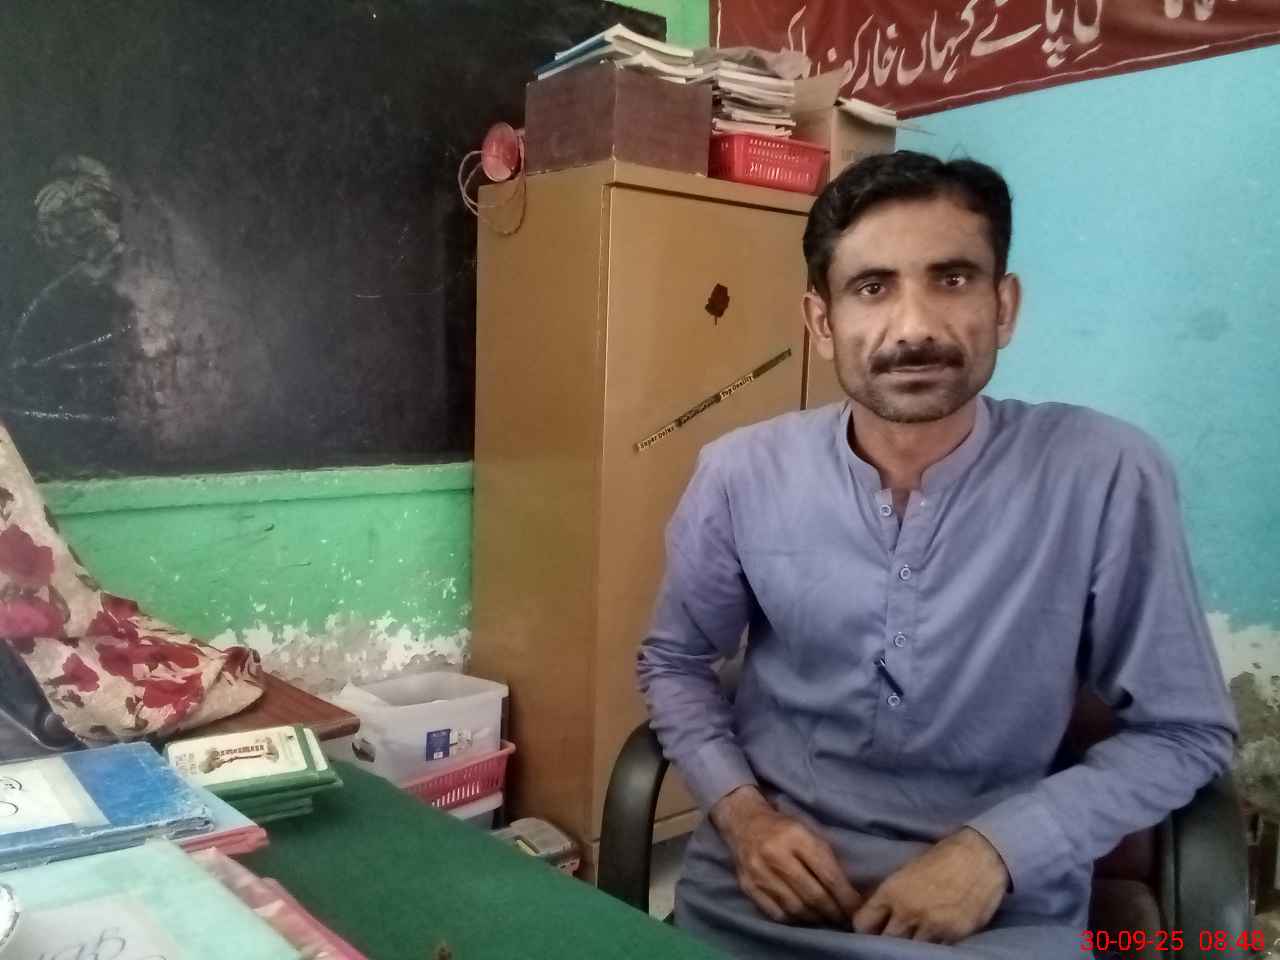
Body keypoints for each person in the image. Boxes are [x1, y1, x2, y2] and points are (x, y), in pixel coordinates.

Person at [636, 150, 1237, 959]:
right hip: (757, 904)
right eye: (872, 287)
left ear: (1004, 306)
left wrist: (998, 852)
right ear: (822, 323)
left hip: (998, 921)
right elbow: (675, 662)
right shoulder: (741, 473)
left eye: (952, 279)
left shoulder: (1104, 473)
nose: (913, 327)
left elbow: (1185, 731)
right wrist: (744, 818)